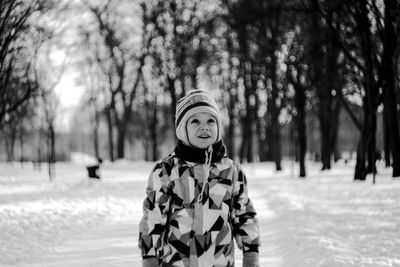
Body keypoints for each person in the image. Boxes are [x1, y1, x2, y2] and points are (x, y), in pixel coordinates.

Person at [138, 90, 260, 267]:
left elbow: (244, 215)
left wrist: (251, 255)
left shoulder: (231, 172)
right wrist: (149, 258)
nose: (205, 127)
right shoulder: (167, 171)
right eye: (195, 121)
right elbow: (153, 216)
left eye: (211, 120)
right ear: (182, 129)